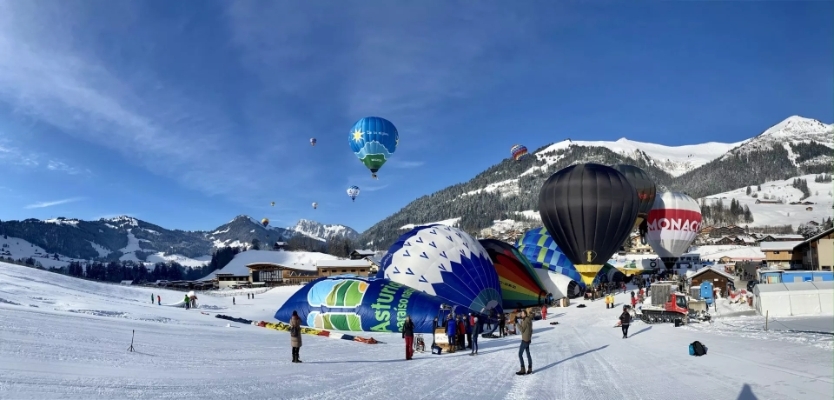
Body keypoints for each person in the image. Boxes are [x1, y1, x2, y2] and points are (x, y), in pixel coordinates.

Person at [516, 309, 533, 375]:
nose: (521, 314)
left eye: (522, 313)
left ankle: (523, 369)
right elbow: (531, 330)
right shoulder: (529, 319)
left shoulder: (525, 320)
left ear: (525, 314)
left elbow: (522, 329)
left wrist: (517, 323)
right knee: (528, 354)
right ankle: (530, 368)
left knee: (520, 354)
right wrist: (529, 338)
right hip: (528, 339)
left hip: (525, 340)